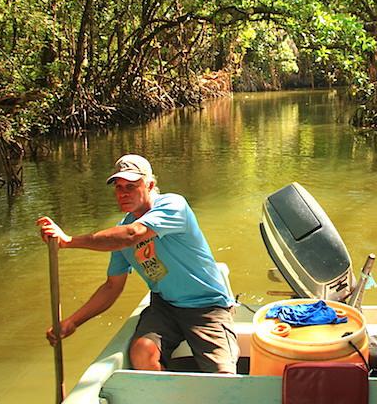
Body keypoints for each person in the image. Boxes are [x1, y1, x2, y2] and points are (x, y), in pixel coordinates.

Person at [37, 154, 237, 373]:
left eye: (131, 186)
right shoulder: (120, 230)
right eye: (118, 187)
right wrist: (73, 322)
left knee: (222, 374)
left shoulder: (173, 205)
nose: (123, 193)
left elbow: (133, 234)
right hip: (165, 307)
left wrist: (69, 242)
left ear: (150, 185)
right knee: (142, 352)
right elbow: (112, 287)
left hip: (206, 306)